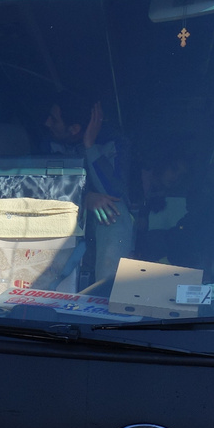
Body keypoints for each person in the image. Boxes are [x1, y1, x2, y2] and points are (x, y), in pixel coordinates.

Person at [44, 96, 134, 287]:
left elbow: (114, 192)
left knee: (113, 210)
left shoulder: (113, 142)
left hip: (93, 220)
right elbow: (40, 191)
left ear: (74, 129)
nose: (47, 122)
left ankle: (106, 292)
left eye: (54, 119)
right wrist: (83, 199)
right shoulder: (47, 139)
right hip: (59, 213)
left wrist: (90, 146)